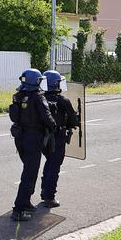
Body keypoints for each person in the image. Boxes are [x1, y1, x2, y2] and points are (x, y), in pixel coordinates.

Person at [8, 68, 56, 221]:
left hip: (20, 137)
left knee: (29, 171)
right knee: (29, 174)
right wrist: (54, 127)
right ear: (36, 81)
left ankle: (26, 202)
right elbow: (47, 118)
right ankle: (19, 209)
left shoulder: (18, 96)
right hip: (33, 139)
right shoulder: (38, 98)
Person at [40, 70, 79, 208]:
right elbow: (74, 121)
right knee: (54, 166)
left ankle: (44, 192)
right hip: (57, 138)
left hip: (42, 139)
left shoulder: (40, 98)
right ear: (55, 84)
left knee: (49, 163)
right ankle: (49, 197)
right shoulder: (63, 101)